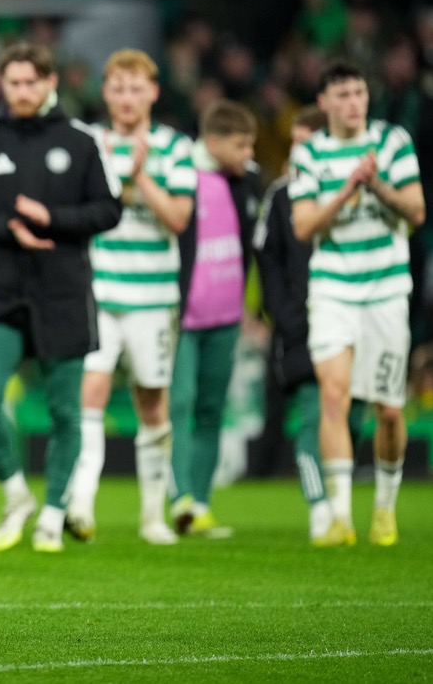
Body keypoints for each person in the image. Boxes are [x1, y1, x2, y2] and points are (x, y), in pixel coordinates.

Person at [0, 41, 121, 553]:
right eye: (13, 83)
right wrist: (9, 225)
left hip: (62, 292)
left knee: (66, 413)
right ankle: (15, 492)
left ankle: (53, 513)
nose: (21, 92)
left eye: (31, 82)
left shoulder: (82, 140)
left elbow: (108, 210)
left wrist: (53, 219)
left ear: (50, 83)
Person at [288, 60, 424, 547]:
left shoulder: (393, 143)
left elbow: (417, 211)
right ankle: (340, 516)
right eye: (342, 95)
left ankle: (384, 508)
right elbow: (304, 226)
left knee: (388, 409)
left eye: (360, 93)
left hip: (386, 289)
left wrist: (377, 185)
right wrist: (347, 188)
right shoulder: (310, 155)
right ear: (323, 103)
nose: (353, 103)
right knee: (333, 396)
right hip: (333, 289)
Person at [65, 49, 196, 546]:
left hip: (154, 298)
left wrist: (139, 175)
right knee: (90, 395)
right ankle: (80, 505)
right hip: (98, 292)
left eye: (136, 88)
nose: (126, 98)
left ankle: (151, 516)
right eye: (118, 88)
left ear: (153, 92)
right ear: (106, 93)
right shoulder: (90, 143)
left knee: (151, 401)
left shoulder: (176, 148)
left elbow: (179, 219)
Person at [255, 105, 367, 545]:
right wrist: (284, 316)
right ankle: (321, 510)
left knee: (351, 417)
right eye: (295, 143)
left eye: (306, 143)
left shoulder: (359, 191)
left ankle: (339, 502)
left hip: (354, 318)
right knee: (309, 419)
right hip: (300, 326)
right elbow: (267, 260)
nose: (297, 152)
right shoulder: (281, 196)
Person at [168, 101, 261, 538]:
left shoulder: (248, 183)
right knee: (180, 402)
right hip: (182, 314)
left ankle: (199, 505)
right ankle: (178, 496)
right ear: (213, 142)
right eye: (240, 144)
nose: (248, 153)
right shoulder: (180, 174)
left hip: (227, 314)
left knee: (210, 409)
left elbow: (250, 249)